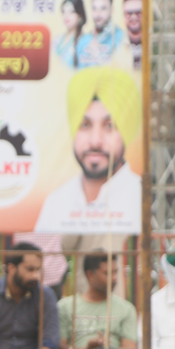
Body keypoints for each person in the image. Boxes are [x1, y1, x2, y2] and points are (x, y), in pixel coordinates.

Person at [35, 67, 141, 235]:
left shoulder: (143, 199)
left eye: (109, 126)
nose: (95, 141)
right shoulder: (55, 203)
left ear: (126, 131)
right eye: (85, 125)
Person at [77, 0, 124, 67]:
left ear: (111, 10)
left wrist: (98, 54)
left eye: (103, 8)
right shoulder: (84, 39)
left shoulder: (120, 37)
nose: (98, 14)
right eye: (94, 8)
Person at [54, 0, 87, 69]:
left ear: (80, 15)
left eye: (71, 12)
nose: (66, 16)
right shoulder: (57, 39)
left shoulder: (84, 41)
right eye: (63, 11)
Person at [120, 0, 142, 70]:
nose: (134, 17)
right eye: (129, 13)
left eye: (138, 12)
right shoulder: (117, 44)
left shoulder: (153, 41)